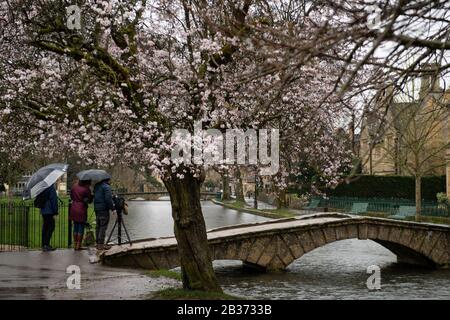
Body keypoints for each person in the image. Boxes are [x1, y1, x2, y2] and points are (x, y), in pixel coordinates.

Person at [69, 179, 93, 250]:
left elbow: (71, 197)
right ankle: (78, 245)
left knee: (75, 226)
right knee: (80, 227)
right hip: (81, 208)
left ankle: (75, 244)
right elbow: (89, 200)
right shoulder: (86, 189)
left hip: (74, 207)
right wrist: (91, 197)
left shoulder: (74, 187)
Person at [93, 179, 115, 250]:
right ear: (107, 180)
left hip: (97, 208)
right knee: (103, 226)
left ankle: (97, 243)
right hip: (104, 209)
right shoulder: (106, 187)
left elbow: (95, 196)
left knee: (98, 226)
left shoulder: (96, 186)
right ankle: (101, 244)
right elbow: (108, 199)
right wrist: (112, 209)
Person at [40, 184, 58, 252]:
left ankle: (44, 244)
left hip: (43, 210)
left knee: (45, 227)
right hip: (49, 210)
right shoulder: (50, 188)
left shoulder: (42, 187)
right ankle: (46, 245)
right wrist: (55, 211)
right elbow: (54, 200)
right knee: (51, 227)